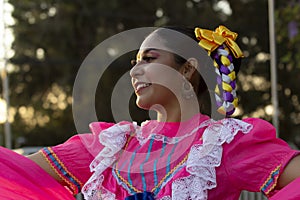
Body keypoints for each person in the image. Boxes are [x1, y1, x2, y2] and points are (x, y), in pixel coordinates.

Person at [1, 25, 300, 200]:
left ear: (187, 69)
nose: (135, 70)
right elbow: (14, 173)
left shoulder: (223, 144)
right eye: (134, 61)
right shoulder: (109, 145)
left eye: (149, 58)